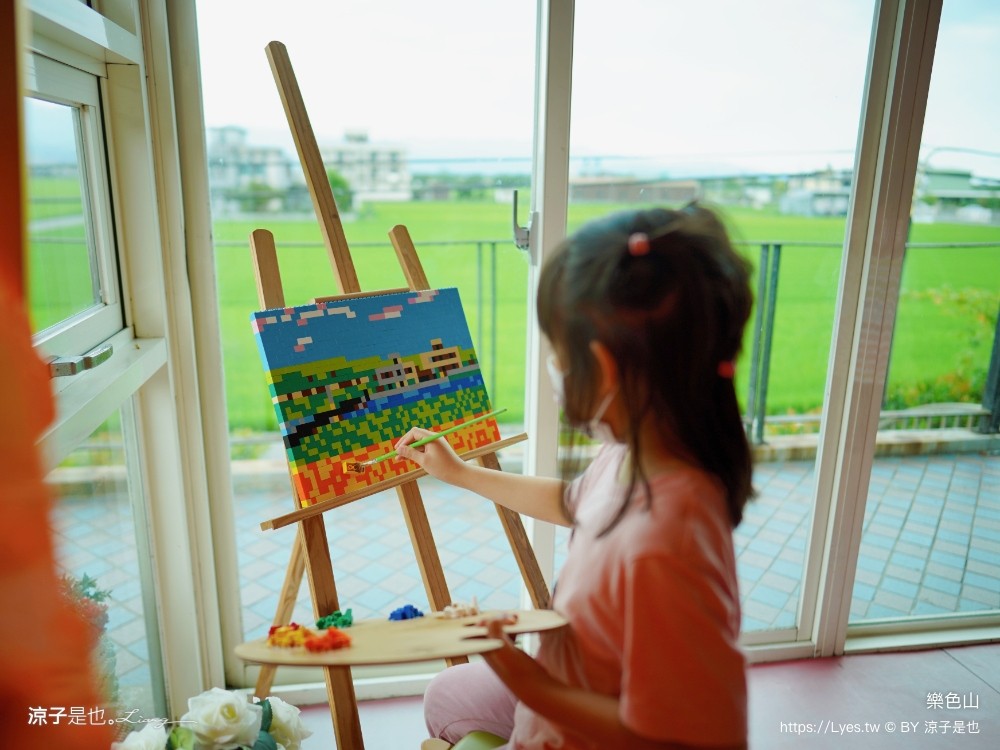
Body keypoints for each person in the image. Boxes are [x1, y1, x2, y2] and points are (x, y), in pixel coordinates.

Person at [395, 204, 754, 750]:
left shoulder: (667, 541)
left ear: (604, 366)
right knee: (448, 694)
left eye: (558, 353)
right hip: (562, 687)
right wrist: (461, 473)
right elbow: (571, 501)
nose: (554, 369)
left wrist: (521, 676)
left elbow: (684, 735)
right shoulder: (632, 452)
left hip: (577, 720)